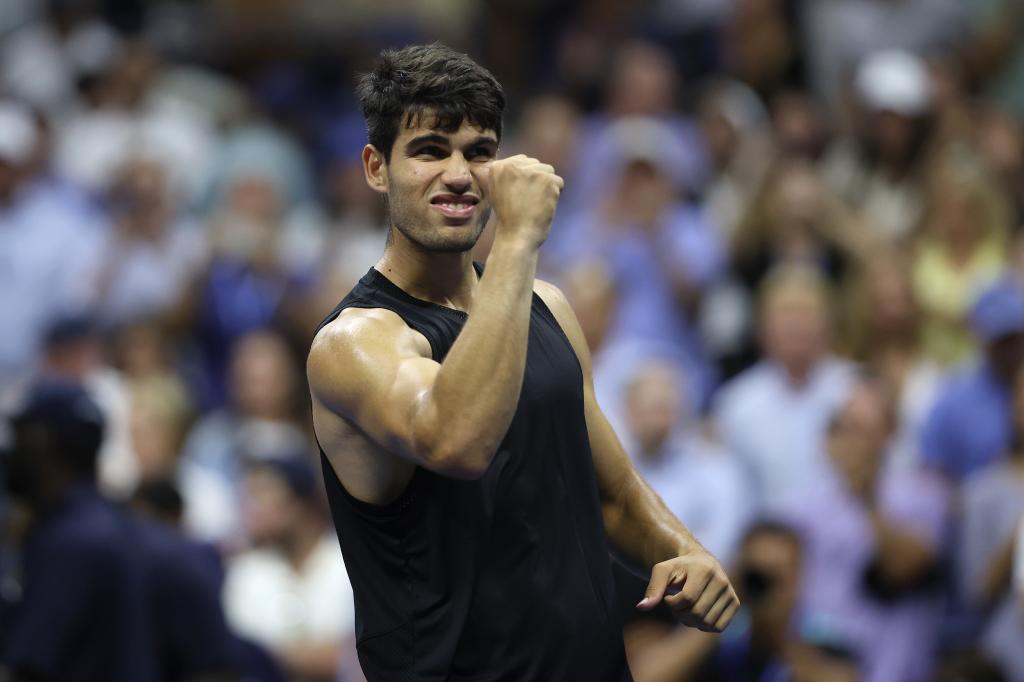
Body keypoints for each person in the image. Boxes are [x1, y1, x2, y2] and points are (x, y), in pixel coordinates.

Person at [306, 43, 738, 680]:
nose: (458, 174)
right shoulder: (354, 342)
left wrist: (685, 552)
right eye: (430, 151)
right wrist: (514, 237)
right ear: (376, 168)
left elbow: (612, 495)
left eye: (479, 152)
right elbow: (457, 439)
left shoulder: (549, 306)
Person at [786, 377, 948, 682]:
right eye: (842, 428)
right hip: (823, 668)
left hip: (896, 668)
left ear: (890, 433)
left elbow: (904, 567)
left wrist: (866, 498)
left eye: (861, 430)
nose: (849, 440)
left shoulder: (924, 493)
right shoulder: (803, 506)